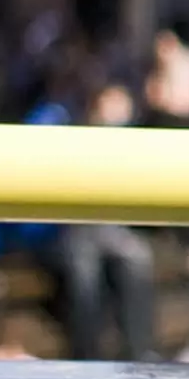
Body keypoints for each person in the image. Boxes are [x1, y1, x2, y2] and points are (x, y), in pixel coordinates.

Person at [48, 75, 161, 362]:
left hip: (115, 232)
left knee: (136, 261)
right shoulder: (75, 138)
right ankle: (86, 355)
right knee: (83, 272)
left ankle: (140, 353)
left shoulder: (135, 142)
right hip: (80, 232)